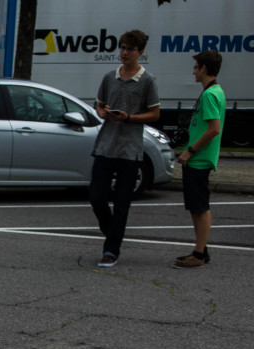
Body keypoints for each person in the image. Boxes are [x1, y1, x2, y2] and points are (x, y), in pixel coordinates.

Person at [88, 29, 159, 268]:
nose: (124, 52)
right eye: (122, 47)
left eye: (129, 49)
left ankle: (111, 250)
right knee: (96, 197)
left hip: (129, 149)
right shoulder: (109, 77)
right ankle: (111, 232)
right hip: (106, 145)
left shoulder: (147, 80)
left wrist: (129, 117)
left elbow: (155, 113)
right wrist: (102, 112)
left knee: (121, 203)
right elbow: (98, 105)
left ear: (140, 52)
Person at [174, 50, 225, 269]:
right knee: (195, 206)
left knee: (200, 206)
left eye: (196, 67)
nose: (193, 71)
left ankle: (199, 253)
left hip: (199, 159)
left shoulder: (210, 95)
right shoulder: (213, 91)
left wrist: (190, 151)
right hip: (198, 158)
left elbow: (214, 129)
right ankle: (201, 249)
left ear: (204, 68)